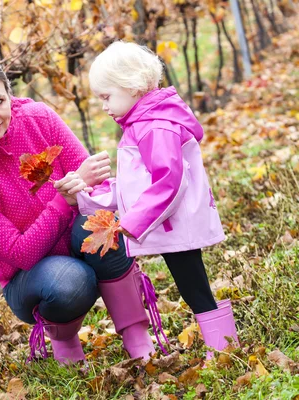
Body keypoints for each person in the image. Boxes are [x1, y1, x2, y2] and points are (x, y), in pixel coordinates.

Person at [0, 56, 164, 365]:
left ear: (9, 96)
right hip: (32, 278)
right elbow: (20, 253)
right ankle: (65, 342)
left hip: (79, 243)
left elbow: (97, 186)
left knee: (103, 224)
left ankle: (137, 336)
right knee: (69, 281)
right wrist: (64, 200)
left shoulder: (37, 119)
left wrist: (85, 188)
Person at [79, 41, 239, 361]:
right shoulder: (145, 120)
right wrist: (100, 197)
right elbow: (141, 180)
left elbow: (169, 181)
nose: (104, 106)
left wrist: (133, 221)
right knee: (193, 284)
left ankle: (223, 350)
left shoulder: (153, 125)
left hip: (172, 223)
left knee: (194, 287)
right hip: (169, 222)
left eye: (107, 97)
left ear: (133, 86)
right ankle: (222, 345)